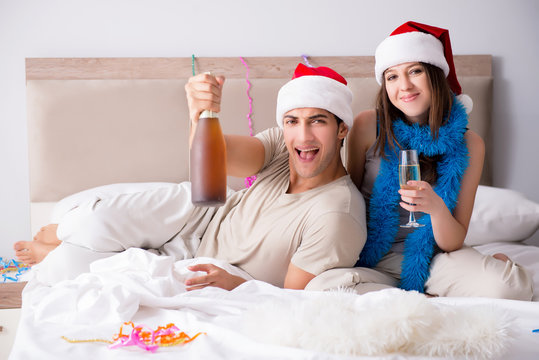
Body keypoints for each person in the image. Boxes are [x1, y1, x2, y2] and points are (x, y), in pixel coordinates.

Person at [14, 63, 367, 291]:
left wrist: (236, 286)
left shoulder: (336, 215)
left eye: (318, 120)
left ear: (341, 129)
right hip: (202, 211)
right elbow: (213, 163)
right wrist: (202, 114)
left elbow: (294, 300)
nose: (302, 136)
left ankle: (61, 248)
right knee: (88, 220)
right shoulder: (280, 143)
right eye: (293, 121)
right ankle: (70, 234)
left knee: (65, 269)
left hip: (209, 265)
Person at [311, 21, 532, 300]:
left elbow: (453, 242)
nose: (404, 86)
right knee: (322, 290)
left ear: (435, 75)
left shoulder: (470, 144)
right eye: (391, 77)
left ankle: (422, 293)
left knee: (507, 288)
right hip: (370, 258)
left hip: (434, 260)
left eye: (415, 71)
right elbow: (347, 198)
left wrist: (437, 209)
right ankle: (422, 301)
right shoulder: (368, 125)